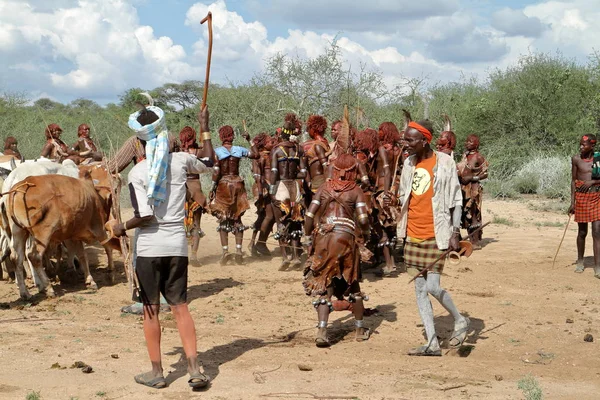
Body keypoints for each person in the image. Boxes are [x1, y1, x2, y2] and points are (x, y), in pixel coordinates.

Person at [110, 103, 214, 390]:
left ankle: (157, 373)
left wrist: (121, 227)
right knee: (180, 308)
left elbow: (145, 216)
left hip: (149, 251)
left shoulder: (138, 173)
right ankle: (194, 369)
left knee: (151, 310)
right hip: (177, 247)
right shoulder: (180, 160)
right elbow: (210, 161)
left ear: (139, 143)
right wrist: (204, 126)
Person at [397, 119, 469, 356]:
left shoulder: (445, 162)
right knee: (419, 289)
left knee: (433, 286)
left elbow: (457, 200)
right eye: (405, 139)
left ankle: (460, 320)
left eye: (410, 140)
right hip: (412, 234)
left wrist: (456, 232)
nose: (405, 144)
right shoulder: (408, 163)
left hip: (436, 234)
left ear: (424, 141)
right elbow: (405, 196)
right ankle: (432, 343)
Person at [303, 153, 371, 347]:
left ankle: (322, 331)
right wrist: (366, 235)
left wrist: (308, 237)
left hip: (324, 239)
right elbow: (364, 219)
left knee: (325, 282)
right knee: (352, 282)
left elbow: (309, 215)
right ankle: (359, 329)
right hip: (346, 239)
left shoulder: (324, 188)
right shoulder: (356, 191)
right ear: (352, 171)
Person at [209, 125, 258, 265]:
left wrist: (213, 188)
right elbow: (256, 155)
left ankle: (225, 251)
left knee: (224, 219)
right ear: (232, 136)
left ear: (220, 136)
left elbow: (216, 172)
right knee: (237, 218)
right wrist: (250, 140)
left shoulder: (217, 152)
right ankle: (238, 250)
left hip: (224, 184)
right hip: (237, 183)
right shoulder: (239, 150)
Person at [353, 128, 396, 275]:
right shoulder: (369, 153)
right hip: (372, 189)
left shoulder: (381, 150)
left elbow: (387, 171)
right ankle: (378, 260)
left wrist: (385, 193)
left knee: (380, 226)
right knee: (375, 226)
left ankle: (390, 264)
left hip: (380, 190)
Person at [270, 113, 307, 269]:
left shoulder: (277, 151)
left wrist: (272, 191)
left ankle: (285, 257)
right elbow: (304, 173)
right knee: (296, 221)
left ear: (282, 134)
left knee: (281, 222)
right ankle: (297, 257)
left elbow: (274, 173)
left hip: (282, 187)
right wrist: (293, 174)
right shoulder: (298, 150)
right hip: (295, 187)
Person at [569, 134, 600, 278]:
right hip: (581, 198)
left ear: (592, 146)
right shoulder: (576, 159)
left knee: (597, 232)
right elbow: (573, 181)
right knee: (582, 232)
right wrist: (572, 202)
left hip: (596, 197)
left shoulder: (598, 159)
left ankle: (597, 267)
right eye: (580, 144)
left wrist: (592, 182)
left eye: (584, 145)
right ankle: (580, 262)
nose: (581, 147)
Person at [179, 126, 208, 264]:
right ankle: (194, 255)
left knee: (178, 225)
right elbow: (210, 159)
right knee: (196, 224)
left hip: (180, 191)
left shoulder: (176, 153)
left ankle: (180, 255)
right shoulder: (198, 151)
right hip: (196, 190)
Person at [457, 135, 488, 249]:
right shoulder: (465, 155)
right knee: (464, 214)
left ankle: (474, 241)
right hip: (463, 187)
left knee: (473, 214)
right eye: (467, 141)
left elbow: (485, 173)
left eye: (470, 141)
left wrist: (472, 178)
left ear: (476, 144)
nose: (467, 143)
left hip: (473, 189)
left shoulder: (478, 157)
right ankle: (466, 239)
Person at [248, 133, 276, 257]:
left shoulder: (268, 154)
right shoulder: (262, 156)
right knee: (269, 215)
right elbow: (258, 175)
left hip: (267, 188)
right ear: (264, 144)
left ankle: (255, 243)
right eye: (271, 142)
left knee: (263, 216)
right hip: (265, 189)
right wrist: (262, 190)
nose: (273, 143)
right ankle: (260, 243)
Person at [302, 115, 330, 202]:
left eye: (309, 128)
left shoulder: (318, 145)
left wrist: (327, 182)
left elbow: (325, 165)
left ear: (314, 130)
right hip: (319, 180)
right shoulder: (325, 142)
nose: (308, 131)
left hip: (319, 180)